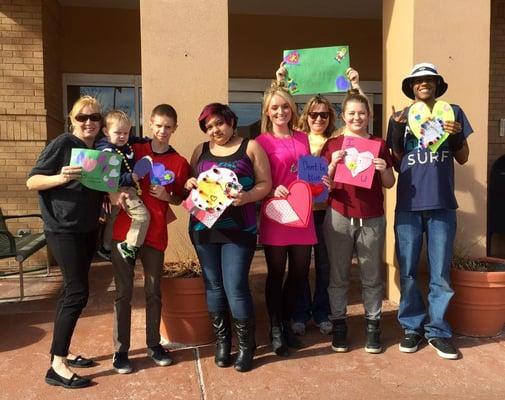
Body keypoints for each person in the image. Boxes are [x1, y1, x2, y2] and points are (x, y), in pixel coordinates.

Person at [387, 62, 472, 360]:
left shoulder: (453, 113)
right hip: (409, 206)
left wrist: (457, 135)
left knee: (440, 273)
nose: (423, 83)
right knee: (408, 270)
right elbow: (397, 163)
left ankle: (438, 331)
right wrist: (397, 131)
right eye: (418, 80)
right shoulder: (399, 116)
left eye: (429, 79)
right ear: (411, 86)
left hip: (443, 204)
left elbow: (463, 157)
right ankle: (412, 327)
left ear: (437, 84)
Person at [275, 64, 362, 337]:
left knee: (325, 265)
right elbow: (278, 112)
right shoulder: (298, 138)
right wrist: (280, 81)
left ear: (331, 117)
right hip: (300, 210)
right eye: (314, 114)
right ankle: (300, 314)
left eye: (324, 114)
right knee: (300, 267)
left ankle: (322, 312)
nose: (319, 118)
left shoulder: (337, 139)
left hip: (328, 210)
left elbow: (358, 114)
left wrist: (355, 87)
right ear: (306, 116)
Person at [185, 103, 271, 372]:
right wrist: (189, 183)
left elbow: (265, 184)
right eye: (209, 127)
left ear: (231, 122)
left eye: (219, 123)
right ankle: (223, 342)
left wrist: (247, 197)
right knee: (213, 286)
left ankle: (247, 347)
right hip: (203, 226)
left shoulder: (251, 147)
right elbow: (191, 180)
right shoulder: (201, 150)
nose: (215, 130)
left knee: (235, 286)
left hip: (240, 228)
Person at [27, 96, 104, 389]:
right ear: (71, 120)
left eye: (94, 117)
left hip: (86, 229)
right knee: (76, 293)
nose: (88, 122)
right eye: (82, 117)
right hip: (63, 230)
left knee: (72, 294)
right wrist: (59, 177)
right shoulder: (62, 144)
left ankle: (64, 351)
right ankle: (56, 366)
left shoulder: (95, 151)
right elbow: (32, 181)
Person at [110, 104, 190, 373]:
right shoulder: (134, 149)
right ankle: (121, 351)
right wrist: (112, 194)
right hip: (125, 233)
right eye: (157, 125)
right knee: (123, 293)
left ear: (175, 128)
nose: (162, 131)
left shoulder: (179, 162)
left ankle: (154, 344)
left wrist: (170, 197)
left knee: (153, 292)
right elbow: (105, 162)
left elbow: (183, 197)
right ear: (149, 124)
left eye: (168, 126)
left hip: (156, 234)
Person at [321, 89, 395, 354]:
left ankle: (373, 326)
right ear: (343, 116)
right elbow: (321, 187)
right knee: (338, 275)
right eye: (351, 113)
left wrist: (384, 169)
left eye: (362, 113)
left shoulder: (378, 144)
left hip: (372, 215)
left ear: (369, 115)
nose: (357, 117)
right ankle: (339, 324)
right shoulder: (332, 145)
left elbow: (389, 183)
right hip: (339, 214)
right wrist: (331, 166)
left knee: (372, 274)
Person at [256, 82, 317, 357]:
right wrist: (270, 189)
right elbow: (258, 180)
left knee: (300, 273)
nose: (281, 111)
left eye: (285, 107)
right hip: (276, 213)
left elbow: (309, 176)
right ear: (267, 112)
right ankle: (276, 328)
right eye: (275, 108)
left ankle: (288, 322)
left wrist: (321, 179)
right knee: (276, 273)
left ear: (292, 109)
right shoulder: (261, 142)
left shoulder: (303, 138)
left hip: (302, 213)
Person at [96, 110, 150, 264]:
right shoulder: (106, 151)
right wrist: (129, 177)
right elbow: (107, 178)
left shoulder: (125, 142)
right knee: (142, 216)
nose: (122, 136)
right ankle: (130, 246)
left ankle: (105, 247)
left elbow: (134, 138)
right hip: (122, 190)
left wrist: (147, 140)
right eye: (118, 132)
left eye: (126, 133)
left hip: (124, 189)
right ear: (106, 131)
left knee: (112, 220)